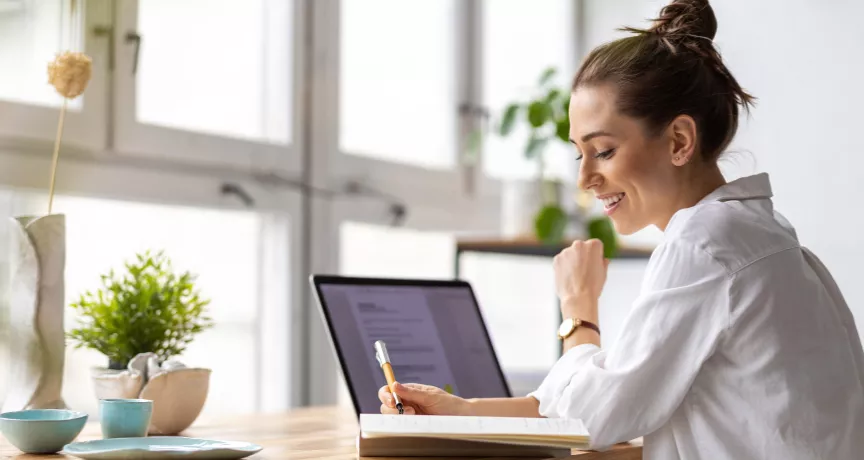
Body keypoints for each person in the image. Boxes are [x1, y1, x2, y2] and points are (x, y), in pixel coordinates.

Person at [378, 0, 864, 458]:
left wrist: (578, 311)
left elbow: (591, 418)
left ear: (679, 140)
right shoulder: (756, 234)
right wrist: (463, 414)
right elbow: (602, 395)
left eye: (604, 151)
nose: (585, 178)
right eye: (579, 153)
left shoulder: (705, 245)